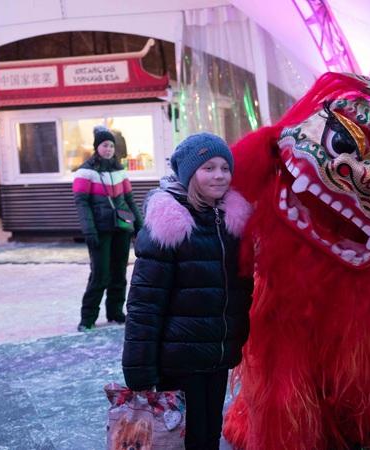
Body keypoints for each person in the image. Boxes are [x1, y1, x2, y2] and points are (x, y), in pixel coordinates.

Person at [122, 132, 253, 450]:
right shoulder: (170, 224)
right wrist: (139, 371)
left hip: (218, 356)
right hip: (179, 361)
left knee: (209, 436)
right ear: (189, 173)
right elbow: (144, 305)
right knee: (183, 440)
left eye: (225, 167)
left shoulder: (231, 222)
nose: (220, 175)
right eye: (208, 167)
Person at [73, 126, 143, 332]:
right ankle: (88, 318)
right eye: (105, 145)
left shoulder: (120, 171)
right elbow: (82, 204)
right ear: (97, 147)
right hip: (100, 230)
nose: (109, 149)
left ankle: (115, 312)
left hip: (122, 227)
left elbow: (129, 200)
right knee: (100, 274)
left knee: (119, 273)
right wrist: (89, 231)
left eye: (111, 145)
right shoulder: (86, 172)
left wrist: (141, 227)